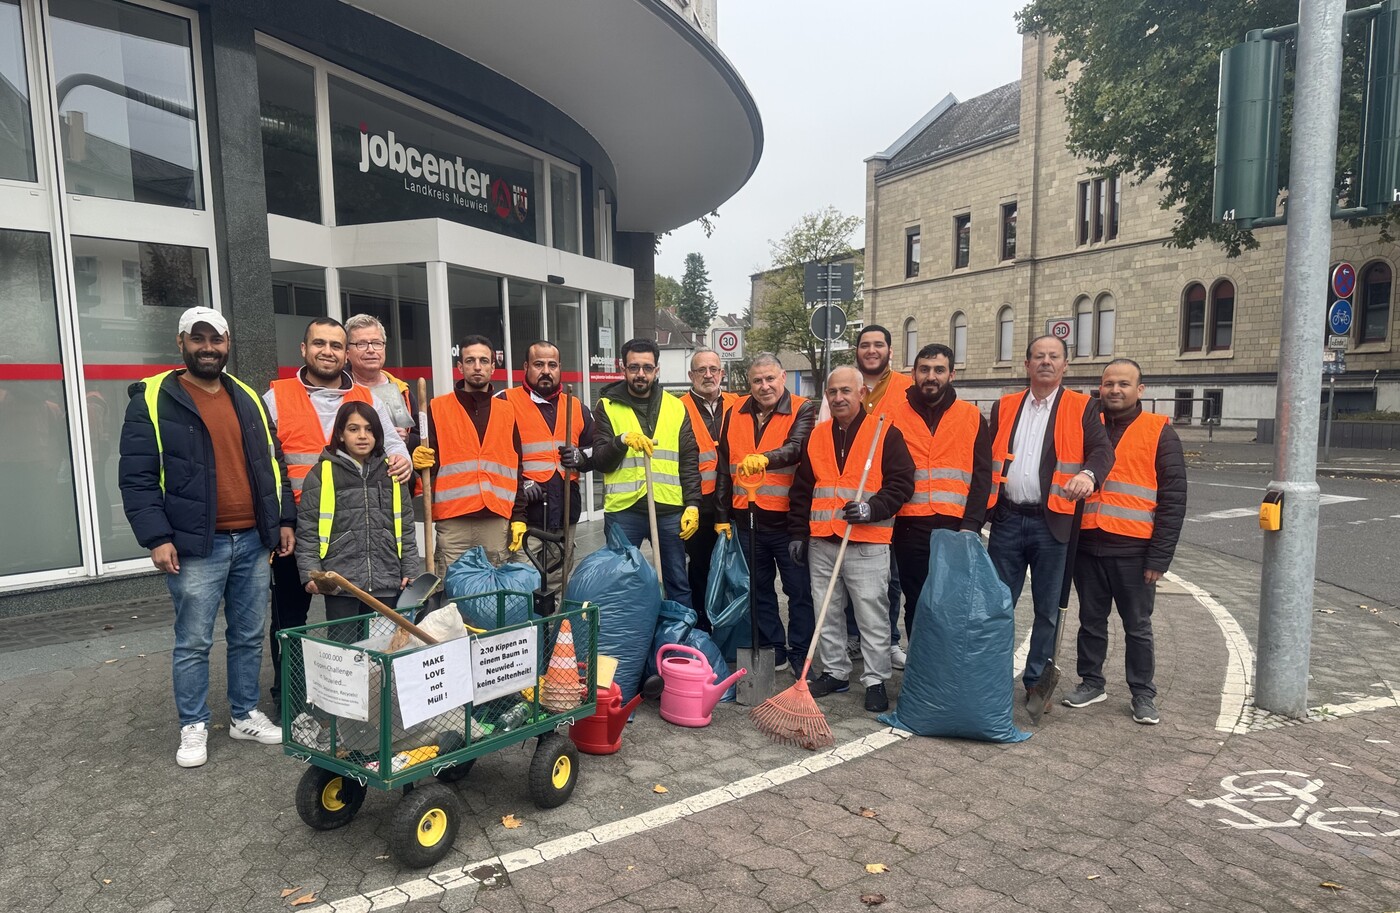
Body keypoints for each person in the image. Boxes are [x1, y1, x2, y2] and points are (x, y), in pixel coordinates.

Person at [118, 306, 295, 768]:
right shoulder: (154, 398)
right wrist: (157, 537)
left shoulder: (247, 397)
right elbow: (136, 478)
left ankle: (243, 715)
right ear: (181, 344)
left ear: (228, 343)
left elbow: (274, 465)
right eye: (198, 339)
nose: (208, 348)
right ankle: (193, 724)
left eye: (216, 339)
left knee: (249, 635)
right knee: (193, 640)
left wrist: (282, 523)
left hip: (253, 541)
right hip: (197, 545)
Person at [263, 318, 412, 711]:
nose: (327, 351)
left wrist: (404, 461)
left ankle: (363, 700)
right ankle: (290, 700)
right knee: (291, 619)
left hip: (358, 531)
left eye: (335, 345)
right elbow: (265, 465)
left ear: (345, 353)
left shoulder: (369, 397)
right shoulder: (277, 398)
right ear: (304, 349)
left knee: (357, 621)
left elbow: (394, 445)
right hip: (297, 527)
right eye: (319, 344)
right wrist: (281, 520)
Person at [987, 334, 1115, 707]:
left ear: (1064, 365)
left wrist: (1088, 476)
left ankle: (1034, 682)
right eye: (1038, 356)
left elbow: (1102, 451)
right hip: (1008, 519)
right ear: (1026, 365)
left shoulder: (1082, 407)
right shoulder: (1005, 406)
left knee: (1047, 608)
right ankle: (992, 677)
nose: (1045, 362)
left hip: (1053, 522)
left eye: (1053, 357)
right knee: (998, 604)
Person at [1063, 359, 1186, 725]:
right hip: (1087, 544)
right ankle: (1091, 682)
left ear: (1140, 390)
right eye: (1109, 383)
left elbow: (1174, 498)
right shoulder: (1086, 424)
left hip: (1134, 550)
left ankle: (1142, 693)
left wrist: (1159, 558)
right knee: (1090, 620)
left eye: (1124, 384)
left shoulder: (1159, 431)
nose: (1115, 390)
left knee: (1137, 625)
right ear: (1099, 387)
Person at [789, 366, 915, 712]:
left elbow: (903, 483)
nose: (839, 397)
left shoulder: (884, 434)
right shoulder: (817, 436)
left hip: (867, 542)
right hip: (822, 541)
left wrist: (872, 508)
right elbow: (802, 490)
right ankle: (834, 671)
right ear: (826, 396)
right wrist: (798, 533)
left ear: (862, 394)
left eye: (846, 391)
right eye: (833, 392)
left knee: (871, 614)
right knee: (825, 611)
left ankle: (875, 679)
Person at [714, 353, 817, 672]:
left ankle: (800, 650)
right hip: (747, 521)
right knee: (758, 589)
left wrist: (765, 459)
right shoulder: (734, 412)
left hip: (789, 521)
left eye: (770, 378)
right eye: (757, 380)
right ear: (749, 382)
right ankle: (774, 647)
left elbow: (797, 447)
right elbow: (723, 467)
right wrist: (721, 515)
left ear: (783, 377)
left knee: (798, 590)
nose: (764, 385)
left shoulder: (802, 408)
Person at [887, 343, 992, 640]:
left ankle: (945, 672)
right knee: (917, 601)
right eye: (924, 370)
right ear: (913, 374)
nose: (930, 376)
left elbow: (983, 475)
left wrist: (972, 525)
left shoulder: (971, 416)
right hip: (908, 526)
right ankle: (920, 668)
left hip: (957, 527)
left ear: (952, 374)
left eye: (938, 370)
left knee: (953, 603)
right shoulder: (894, 415)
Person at [296, 401, 421, 642]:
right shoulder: (322, 474)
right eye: (353, 429)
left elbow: (405, 526)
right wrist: (310, 574)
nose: (362, 436)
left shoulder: (392, 473)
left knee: (382, 650)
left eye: (369, 429)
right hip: (342, 582)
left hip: (387, 579)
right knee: (344, 653)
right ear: (341, 434)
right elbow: (309, 530)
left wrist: (410, 569)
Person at [592, 337, 701, 607]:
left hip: (668, 509)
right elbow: (601, 461)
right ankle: (627, 644)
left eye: (647, 367)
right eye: (634, 367)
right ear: (622, 368)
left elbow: (688, 459)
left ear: (657, 370)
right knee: (619, 580)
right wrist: (621, 441)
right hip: (624, 510)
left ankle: (679, 641)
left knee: (677, 580)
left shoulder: (677, 407)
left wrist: (693, 504)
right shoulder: (607, 406)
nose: (641, 374)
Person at [413, 335, 526, 572]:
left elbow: (517, 467)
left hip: (495, 519)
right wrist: (417, 458)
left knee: (492, 593)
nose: (477, 366)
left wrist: (519, 516)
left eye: (484, 361)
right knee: (450, 593)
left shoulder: (508, 412)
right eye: (470, 360)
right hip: (453, 521)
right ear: (460, 367)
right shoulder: (437, 408)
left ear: (493, 367)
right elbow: (426, 462)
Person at [498, 340, 594, 595]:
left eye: (552, 365)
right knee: (521, 582)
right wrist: (521, 483)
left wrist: (581, 457)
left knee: (558, 581)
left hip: (563, 511)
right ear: (526, 367)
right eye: (539, 364)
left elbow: (596, 449)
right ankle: (525, 634)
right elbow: (492, 456)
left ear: (560, 368)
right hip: (524, 513)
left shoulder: (576, 407)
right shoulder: (505, 403)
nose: (546, 371)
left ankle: (552, 633)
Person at [681, 348, 738, 631]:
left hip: (734, 500)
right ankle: (702, 626)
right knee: (701, 567)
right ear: (690, 375)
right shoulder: (678, 407)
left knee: (734, 568)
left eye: (713, 369)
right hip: (698, 503)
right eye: (701, 370)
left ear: (722, 373)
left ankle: (730, 624)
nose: (708, 375)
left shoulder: (738, 404)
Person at [344, 313, 419, 449]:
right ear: (347, 351)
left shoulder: (402, 391)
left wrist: (408, 439)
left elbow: (420, 437)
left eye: (377, 343)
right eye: (361, 344)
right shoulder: (339, 389)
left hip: (396, 468)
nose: (371, 350)